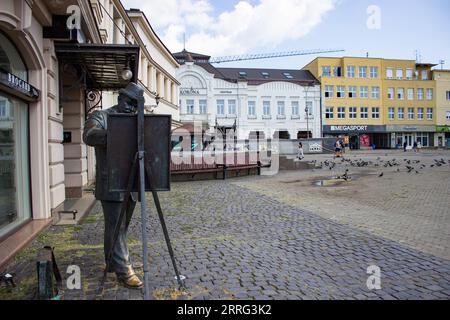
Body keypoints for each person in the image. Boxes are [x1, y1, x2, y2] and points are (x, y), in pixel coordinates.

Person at [83, 82, 144, 289]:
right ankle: (124, 270)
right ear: (120, 99)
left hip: (131, 182)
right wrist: (119, 133)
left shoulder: (137, 119)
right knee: (116, 228)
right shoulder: (101, 116)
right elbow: (89, 136)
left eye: (136, 105)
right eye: (130, 103)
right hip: (111, 183)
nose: (132, 108)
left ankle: (110, 261)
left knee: (119, 227)